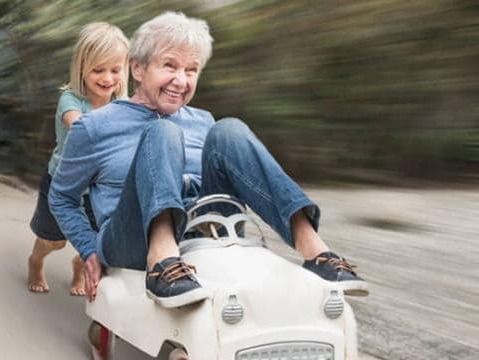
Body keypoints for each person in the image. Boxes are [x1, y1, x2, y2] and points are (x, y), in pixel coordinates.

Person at [51, 12, 368, 308]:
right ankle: (163, 261)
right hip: (131, 239)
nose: (181, 80)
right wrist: (89, 249)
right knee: (162, 132)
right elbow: (62, 197)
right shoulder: (93, 127)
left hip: (206, 226)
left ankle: (317, 253)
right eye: (170, 66)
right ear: (138, 68)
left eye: (191, 70)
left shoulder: (203, 121)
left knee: (230, 129)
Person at [27, 22, 129, 294]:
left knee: (94, 241)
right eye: (98, 70)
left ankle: (80, 266)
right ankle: (36, 261)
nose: (107, 78)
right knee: (54, 240)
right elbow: (79, 126)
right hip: (62, 183)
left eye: (115, 70)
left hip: (98, 187)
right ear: (81, 68)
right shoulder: (71, 100)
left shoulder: (122, 104)